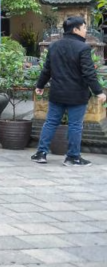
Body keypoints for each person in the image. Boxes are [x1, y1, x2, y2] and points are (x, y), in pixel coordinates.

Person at [31, 16, 105, 166]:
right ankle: (72, 157)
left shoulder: (54, 46)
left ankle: (41, 153)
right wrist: (99, 92)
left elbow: (47, 70)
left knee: (51, 122)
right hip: (77, 95)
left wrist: (39, 85)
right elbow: (89, 73)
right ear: (76, 30)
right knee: (75, 125)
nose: (85, 31)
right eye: (84, 28)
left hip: (57, 93)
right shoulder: (83, 48)